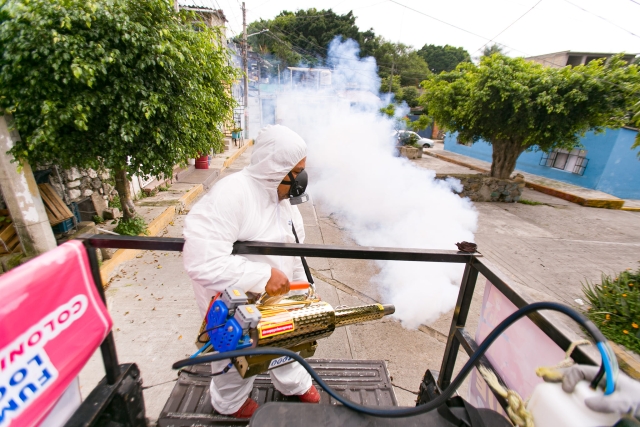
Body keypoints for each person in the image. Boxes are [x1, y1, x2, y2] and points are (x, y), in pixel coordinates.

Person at [182, 125, 320, 419]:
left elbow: (294, 248)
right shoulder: (232, 194)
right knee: (235, 351)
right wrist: (262, 276)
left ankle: (293, 384)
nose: (301, 180)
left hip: (276, 296)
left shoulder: (284, 202)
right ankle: (231, 403)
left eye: (302, 171)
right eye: (295, 172)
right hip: (232, 295)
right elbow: (201, 260)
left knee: (286, 336)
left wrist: (302, 287)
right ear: (274, 168)